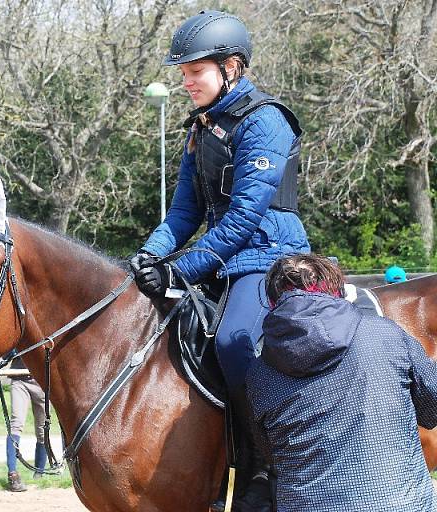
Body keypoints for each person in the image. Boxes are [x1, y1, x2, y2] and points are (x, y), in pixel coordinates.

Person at [128, 9, 310, 511]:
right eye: (182, 73)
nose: (185, 82)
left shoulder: (265, 121)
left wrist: (181, 269)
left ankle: (267, 464)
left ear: (232, 67)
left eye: (194, 72)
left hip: (270, 257)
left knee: (233, 341)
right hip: (226, 259)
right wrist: (148, 258)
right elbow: (184, 213)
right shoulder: (201, 128)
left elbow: (245, 218)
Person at [247, 254, 437, 511]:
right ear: (338, 290)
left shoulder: (258, 374)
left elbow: (270, 453)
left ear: (272, 302)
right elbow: (432, 406)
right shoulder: (385, 332)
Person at [5, 357, 47, 492]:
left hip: (41, 380)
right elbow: (6, 352)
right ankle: (12, 474)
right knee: (16, 424)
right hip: (19, 378)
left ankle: (39, 473)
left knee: (42, 429)